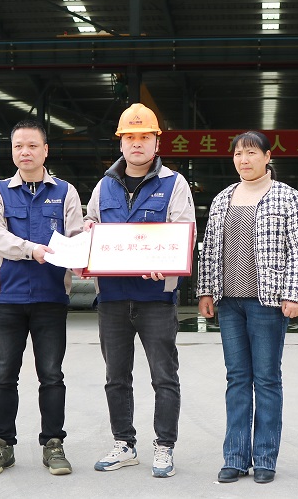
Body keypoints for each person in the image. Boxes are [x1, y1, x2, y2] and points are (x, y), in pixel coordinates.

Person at [84, 102, 195, 478]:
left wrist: (167, 261)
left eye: (144, 136)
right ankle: (124, 444)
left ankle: (164, 446)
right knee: (116, 376)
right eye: (129, 137)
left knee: (164, 376)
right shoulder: (104, 186)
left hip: (156, 298)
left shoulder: (174, 184)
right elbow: (90, 222)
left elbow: (184, 232)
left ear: (156, 142)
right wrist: (86, 236)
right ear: (120, 143)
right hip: (112, 297)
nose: (136, 143)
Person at [196, 131, 298, 484]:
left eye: (251, 153)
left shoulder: (287, 197)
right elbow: (209, 248)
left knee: (267, 379)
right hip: (229, 302)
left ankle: (265, 459)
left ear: (267, 156)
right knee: (237, 379)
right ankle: (235, 457)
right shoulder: (223, 198)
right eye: (238, 154)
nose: (244, 160)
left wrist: (293, 294)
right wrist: (205, 291)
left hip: (268, 303)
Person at [0, 119, 83, 477]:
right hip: (8, 297)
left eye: (32, 145)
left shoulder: (66, 192)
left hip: (51, 297)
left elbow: (76, 235)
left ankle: (53, 444)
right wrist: (30, 249)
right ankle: (2, 445)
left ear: (45, 151)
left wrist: (86, 249)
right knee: (4, 375)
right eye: (18, 146)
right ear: (12, 151)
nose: (25, 152)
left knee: (51, 374)